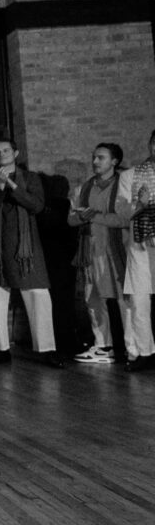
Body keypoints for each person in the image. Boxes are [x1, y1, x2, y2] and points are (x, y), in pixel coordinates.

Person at [0, 138, 63, 368]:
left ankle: (46, 349)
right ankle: (2, 349)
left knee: (39, 295)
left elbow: (36, 205)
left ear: (15, 153)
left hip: (26, 248)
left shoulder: (32, 178)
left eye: (6, 150)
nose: (1, 154)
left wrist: (13, 186)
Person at [68, 143, 130, 364]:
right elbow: (72, 218)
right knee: (93, 298)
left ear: (114, 162)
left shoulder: (122, 186)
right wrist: (83, 216)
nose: (95, 162)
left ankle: (132, 347)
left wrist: (92, 215)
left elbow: (123, 219)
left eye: (101, 158)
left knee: (124, 299)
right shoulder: (84, 188)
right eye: (94, 157)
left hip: (116, 251)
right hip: (91, 251)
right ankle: (103, 345)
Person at [116, 128, 155, 371]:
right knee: (140, 299)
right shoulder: (131, 175)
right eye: (154, 144)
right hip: (140, 242)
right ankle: (145, 351)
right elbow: (121, 212)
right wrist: (139, 205)